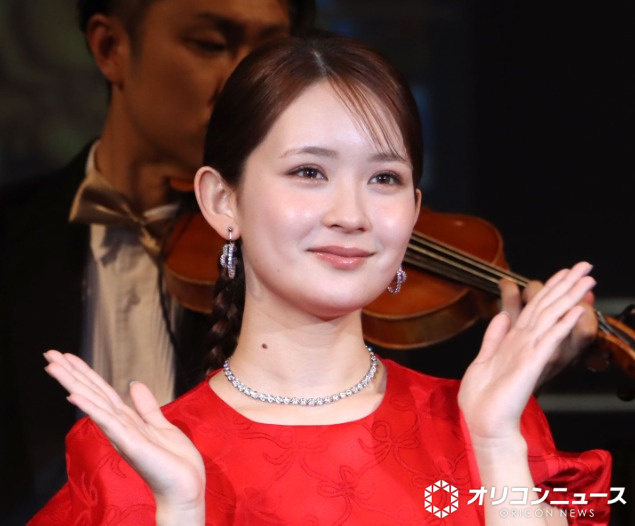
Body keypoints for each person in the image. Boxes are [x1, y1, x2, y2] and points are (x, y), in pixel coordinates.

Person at [29, 33, 610, 525]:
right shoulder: (132, 464)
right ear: (222, 200)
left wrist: (495, 445)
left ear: (414, 210)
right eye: (309, 171)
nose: (351, 215)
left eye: (384, 179)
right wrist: (180, 509)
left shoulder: (489, 422)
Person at [0, 0, 315, 522]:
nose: (245, 84)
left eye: (270, 56)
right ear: (111, 49)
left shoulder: (299, 258)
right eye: (210, 45)